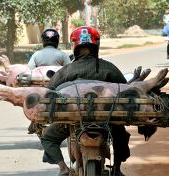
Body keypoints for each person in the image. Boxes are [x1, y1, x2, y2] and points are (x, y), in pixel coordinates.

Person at [40, 26, 130, 176]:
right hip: (106, 120)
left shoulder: (66, 70)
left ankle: (63, 168)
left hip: (73, 120)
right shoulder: (109, 68)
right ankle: (117, 168)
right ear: (96, 45)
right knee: (121, 135)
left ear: (75, 46)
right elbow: (125, 89)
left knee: (48, 137)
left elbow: (49, 92)